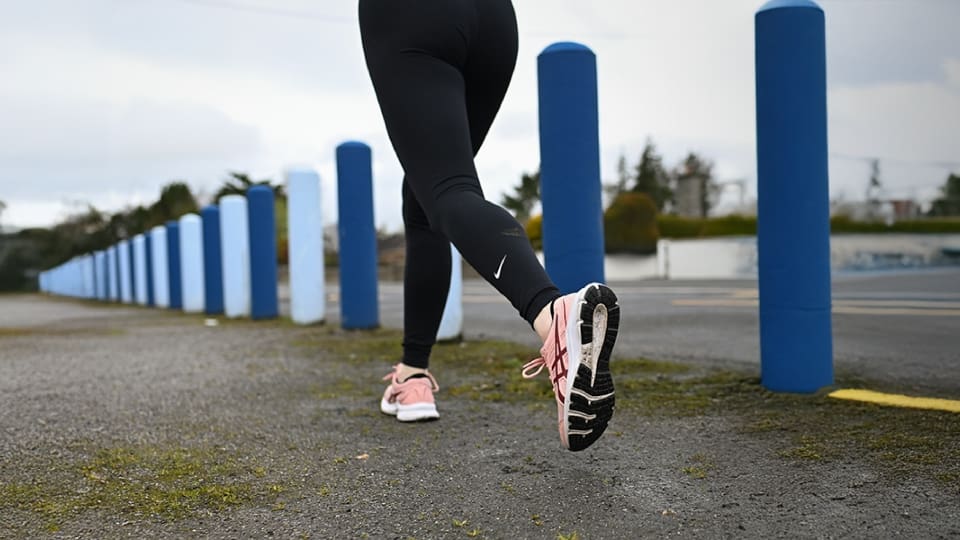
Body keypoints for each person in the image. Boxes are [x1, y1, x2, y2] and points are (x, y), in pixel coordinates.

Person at [359, 0, 619, 451]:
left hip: (411, 16)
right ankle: (413, 374)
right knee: (426, 197)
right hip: (494, 19)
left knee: (447, 190)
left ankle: (553, 317)